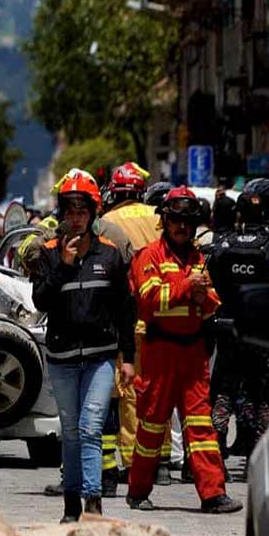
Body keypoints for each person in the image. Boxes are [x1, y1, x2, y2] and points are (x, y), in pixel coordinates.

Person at [30, 169, 136, 523]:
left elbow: (125, 308)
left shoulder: (110, 255)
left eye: (82, 211)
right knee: (71, 432)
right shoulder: (47, 254)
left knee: (92, 427)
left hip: (100, 357)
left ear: (93, 213)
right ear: (62, 214)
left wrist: (128, 358)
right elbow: (41, 301)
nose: (76, 219)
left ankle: (93, 502)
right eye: (70, 211)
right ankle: (71, 505)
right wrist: (64, 265)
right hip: (61, 358)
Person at [127, 186, 242, 513]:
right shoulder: (148, 255)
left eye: (187, 222)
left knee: (201, 426)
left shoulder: (197, 257)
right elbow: (149, 301)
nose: (182, 227)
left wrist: (199, 295)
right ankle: (137, 491)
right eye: (176, 220)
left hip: (193, 354)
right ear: (165, 220)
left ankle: (212, 494)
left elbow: (210, 306)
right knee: (152, 425)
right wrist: (186, 288)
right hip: (160, 352)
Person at [97, 162, 165, 493]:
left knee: (126, 393)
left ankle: (130, 463)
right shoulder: (158, 216)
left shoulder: (107, 222)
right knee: (155, 390)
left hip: (125, 315)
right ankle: (158, 463)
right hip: (163, 312)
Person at [207, 186, 269, 465]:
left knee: (224, 390)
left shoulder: (224, 244)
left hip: (227, 326)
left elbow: (213, 282)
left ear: (239, 213)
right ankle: (255, 456)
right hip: (261, 332)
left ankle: (217, 453)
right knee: (259, 393)